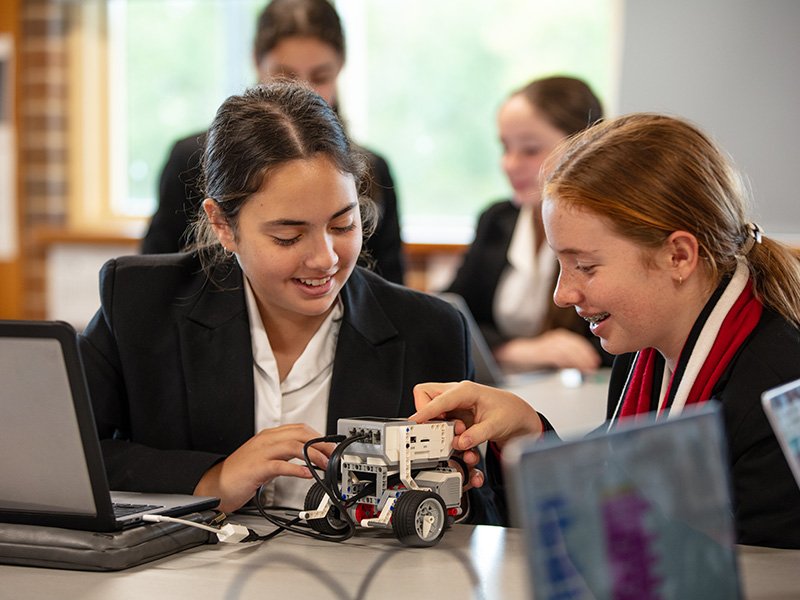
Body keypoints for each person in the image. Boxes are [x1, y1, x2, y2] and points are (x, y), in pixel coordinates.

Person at [79, 81, 493, 519]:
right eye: (288, 236)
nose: (324, 258)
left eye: (343, 225)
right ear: (222, 224)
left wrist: (452, 492)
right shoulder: (141, 304)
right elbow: (65, 453)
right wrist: (213, 479)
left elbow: (483, 515)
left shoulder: (430, 330)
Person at [412, 113, 800, 549]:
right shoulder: (642, 351)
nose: (562, 293)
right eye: (559, 264)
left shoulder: (778, 385)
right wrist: (528, 433)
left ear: (678, 256)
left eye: (586, 266)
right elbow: (606, 499)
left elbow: (768, 574)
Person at [141, 0, 405, 285]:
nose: (303, 90)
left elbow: (389, 297)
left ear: (341, 67)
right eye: (285, 76)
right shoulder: (191, 160)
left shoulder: (372, 170)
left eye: (321, 76)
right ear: (257, 60)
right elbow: (155, 282)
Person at [446, 76, 609, 373]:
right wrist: (518, 350)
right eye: (505, 147)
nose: (509, 164)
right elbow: (452, 316)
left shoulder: (608, 227)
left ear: (584, 147)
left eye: (530, 150)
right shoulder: (496, 219)